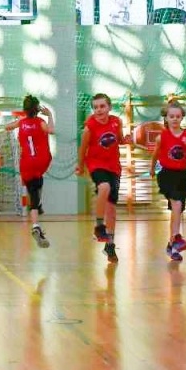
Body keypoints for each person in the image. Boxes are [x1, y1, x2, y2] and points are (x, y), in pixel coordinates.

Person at [76, 92, 123, 263]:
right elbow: (83, 148)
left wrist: (128, 139)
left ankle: (110, 245)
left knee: (112, 210)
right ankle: (98, 226)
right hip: (96, 164)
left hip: (114, 167)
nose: (99, 110)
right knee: (104, 187)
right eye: (95, 107)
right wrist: (80, 166)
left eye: (102, 106)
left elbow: (119, 139)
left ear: (109, 107)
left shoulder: (117, 122)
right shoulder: (90, 127)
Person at [5, 95, 54, 247]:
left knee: (33, 190)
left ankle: (36, 217)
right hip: (41, 161)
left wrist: (19, 120)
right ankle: (36, 218)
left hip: (26, 163)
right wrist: (49, 115)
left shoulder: (21, 122)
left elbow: (7, 127)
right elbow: (51, 130)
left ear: (25, 109)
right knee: (36, 188)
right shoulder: (40, 122)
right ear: (37, 109)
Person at [154, 101, 186, 262]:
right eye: (171, 116)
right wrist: (151, 168)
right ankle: (177, 238)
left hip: (182, 176)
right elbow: (155, 154)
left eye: (178, 116)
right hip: (166, 175)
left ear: (182, 117)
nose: (175, 119)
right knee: (177, 205)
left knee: (177, 210)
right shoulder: (162, 136)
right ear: (166, 117)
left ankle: (172, 246)